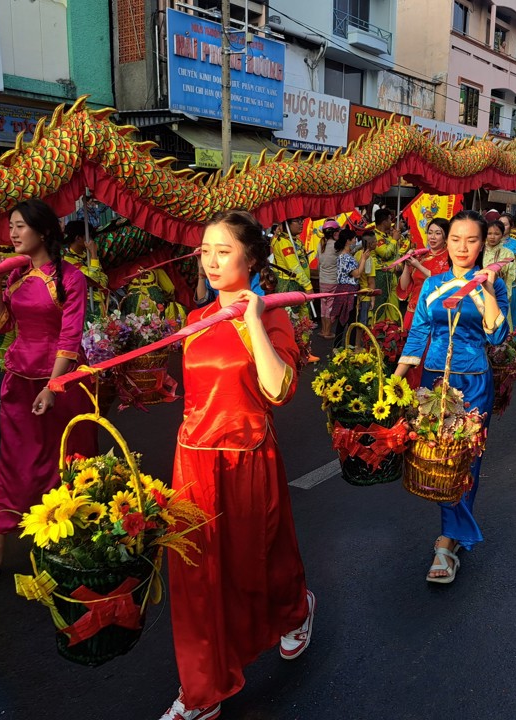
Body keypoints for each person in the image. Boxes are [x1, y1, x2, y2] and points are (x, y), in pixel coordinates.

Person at [160, 210, 313, 720]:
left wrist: (251, 319)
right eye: (205, 249)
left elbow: (279, 390)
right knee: (195, 578)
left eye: (224, 251)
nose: (211, 260)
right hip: (193, 464)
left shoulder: (273, 317)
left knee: (260, 563)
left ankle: (296, 609)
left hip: (247, 459)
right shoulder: (193, 320)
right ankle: (202, 690)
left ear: (251, 259)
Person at [0, 199, 97, 574]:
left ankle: (72, 540)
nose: (12, 233)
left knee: (64, 461)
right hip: (18, 381)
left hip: (61, 384)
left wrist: (53, 385)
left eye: (20, 226)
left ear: (43, 231)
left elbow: (70, 336)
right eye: (10, 226)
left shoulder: (70, 278)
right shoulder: (15, 276)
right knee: (14, 462)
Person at [393, 210, 508, 583]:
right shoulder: (433, 284)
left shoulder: (494, 284)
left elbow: (496, 335)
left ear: (483, 243)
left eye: (471, 240)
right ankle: (454, 530)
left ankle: (448, 541)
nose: (462, 247)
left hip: (474, 382)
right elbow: (417, 335)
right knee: (435, 459)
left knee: (463, 461)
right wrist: (394, 379)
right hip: (433, 383)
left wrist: (486, 288)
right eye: (456, 239)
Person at [397, 217, 451, 333]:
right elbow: (404, 286)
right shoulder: (421, 256)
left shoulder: (449, 258)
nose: (432, 237)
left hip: (435, 311)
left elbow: (441, 281)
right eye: (430, 233)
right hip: (413, 309)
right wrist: (407, 263)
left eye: (437, 233)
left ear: (446, 237)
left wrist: (418, 266)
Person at [62, 220, 110, 320]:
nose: (92, 241)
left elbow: (103, 278)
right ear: (78, 238)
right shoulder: (68, 260)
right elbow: (93, 279)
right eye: (89, 237)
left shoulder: (86, 255)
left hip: (100, 302)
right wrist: (93, 253)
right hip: (86, 306)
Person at [331, 229, 365, 348]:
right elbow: (357, 274)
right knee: (351, 321)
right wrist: (364, 259)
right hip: (349, 291)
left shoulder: (344, 256)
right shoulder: (346, 257)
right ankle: (347, 348)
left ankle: (338, 347)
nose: (356, 241)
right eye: (354, 239)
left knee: (343, 322)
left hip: (343, 290)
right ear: (348, 241)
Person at [482, 220, 516, 329]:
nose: (492, 237)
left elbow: (510, 278)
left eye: (496, 234)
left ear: (502, 235)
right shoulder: (479, 251)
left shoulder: (508, 253)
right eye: (489, 233)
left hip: (498, 294)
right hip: (479, 295)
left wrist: (505, 298)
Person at [316, 219, 341, 338]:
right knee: (330, 307)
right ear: (334, 233)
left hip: (322, 280)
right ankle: (328, 332)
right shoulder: (337, 246)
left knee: (323, 306)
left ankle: (323, 330)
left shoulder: (320, 244)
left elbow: (318, 264)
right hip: (333, 281)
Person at [372, 208, 401, 309]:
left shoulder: (388, 237)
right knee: (380, 307)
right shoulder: (374, 237)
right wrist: (394, 240)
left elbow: (397, 254)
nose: (391, 222)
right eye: (389, 220)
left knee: (393, 307)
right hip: (380, 275)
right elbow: (385, 253)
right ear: (384, 222)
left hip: (392, 275)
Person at [353, 230, 377, 329]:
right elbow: (370, 281)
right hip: (365, 295)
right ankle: (359, 344)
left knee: (356, 322)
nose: (377, 243)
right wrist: (373, 298)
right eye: (375, 241)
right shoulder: (368, 259)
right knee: (363, 324)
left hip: (356, 293)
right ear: (370, 244)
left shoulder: (357, 254)